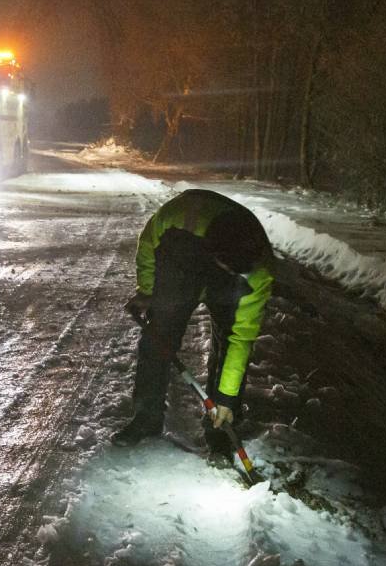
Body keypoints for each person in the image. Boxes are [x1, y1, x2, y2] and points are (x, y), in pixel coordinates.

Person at [112, 189, 274, 454]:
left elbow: (240, 340)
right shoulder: (177, 219)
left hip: (228, 288)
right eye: (227, 266)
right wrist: (148, 291)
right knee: (159, 337)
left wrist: (226, 399)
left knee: (227, 348)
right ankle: (146, 417)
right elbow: (149, 243)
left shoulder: (258, 274)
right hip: (181, 263)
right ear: (214, 252)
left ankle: (221, 426)